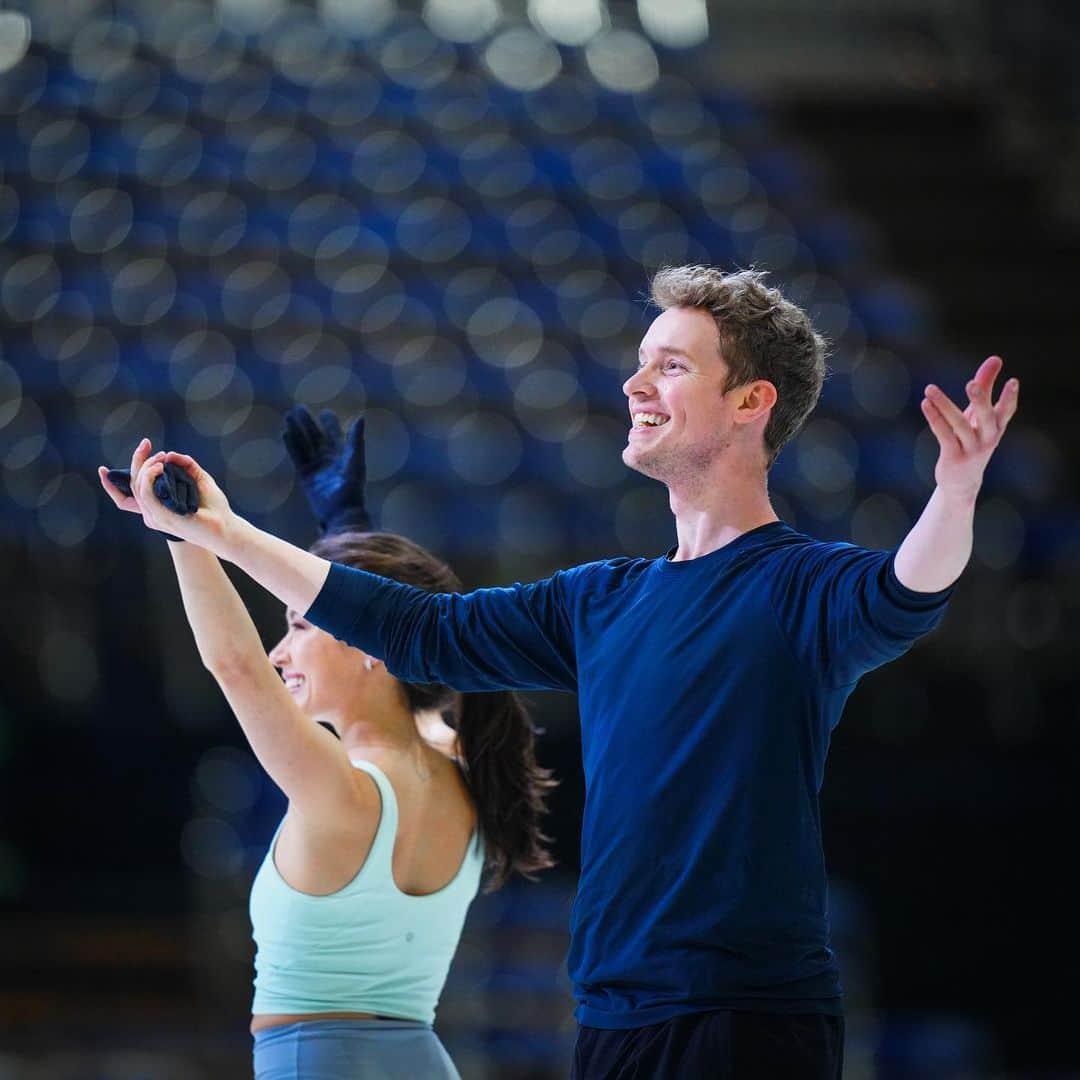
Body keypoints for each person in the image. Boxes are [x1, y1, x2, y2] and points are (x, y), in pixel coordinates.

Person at [107, 265, 1019, 1079]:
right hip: (612, 1018)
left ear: (751, 403)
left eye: (671, 363)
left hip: (746, 1017)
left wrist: (956, 492)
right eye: (642, 358)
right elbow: (418, 630)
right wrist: (219, 533)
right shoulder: (601, 599)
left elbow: (909, 588)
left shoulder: (801, 587)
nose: (635, 380)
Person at [99, 415, 555, 1079]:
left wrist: (181, 532)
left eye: (299, 625)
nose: (281, 652)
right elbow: (394, 621)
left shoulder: (339, 788)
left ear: (366, 646)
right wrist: (346, 526)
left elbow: (235, 663)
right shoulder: (461, 758)